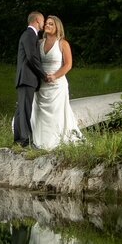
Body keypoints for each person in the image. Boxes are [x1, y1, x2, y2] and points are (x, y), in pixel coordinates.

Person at [30, 15, 82, 150]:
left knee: (56, 113)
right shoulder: (39, 43)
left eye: (51, 24)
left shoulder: (62, 43)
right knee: (39, 113)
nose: (47, 25)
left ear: (57, 27)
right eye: (46, 23)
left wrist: (55, 76)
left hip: (57, 85)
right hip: (41, 84)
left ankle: (57, 140)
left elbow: (68, 64)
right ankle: (39, 141)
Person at [14, 11, 47, 148]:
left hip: (26, 78)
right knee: (25, 109)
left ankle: (18, 139)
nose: (44, 24)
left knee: (21, 110)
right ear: (38, 20)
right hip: (27, 78)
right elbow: (31, 57)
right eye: (43, 21)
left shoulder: (30, 35)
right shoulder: (29, 35)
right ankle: (26, 141)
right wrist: (43, 74)